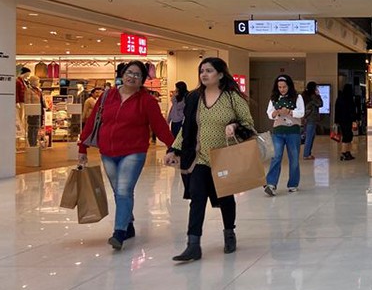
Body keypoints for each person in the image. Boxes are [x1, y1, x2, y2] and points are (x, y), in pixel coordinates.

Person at [165, 57, 255, 262]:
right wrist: (173, 149)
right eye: (202, 71)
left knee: (225, 198)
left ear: (221, 74)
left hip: (224, 157)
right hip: (200, 157)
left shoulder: (233, 98)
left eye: (209, 71)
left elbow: (248, 124)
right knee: (197, 198)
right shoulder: (195, 97)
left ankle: (229, 232)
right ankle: (193, 245)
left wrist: (234, 127)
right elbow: (187, 128)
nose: (204, 74)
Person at [78, 61, 175, 251]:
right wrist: (82, 147)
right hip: (107, 151)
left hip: (134, 151)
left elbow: (160, 127)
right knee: (117, 191)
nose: (132, 77)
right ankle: (128, 224)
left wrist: (174, 147)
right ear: (123, 74)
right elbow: (92, 122)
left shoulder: (147, 101)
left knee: (123, 190)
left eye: (138, 75)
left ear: (143, 80)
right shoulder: (107, 96)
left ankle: (119, 232)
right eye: (129, 72)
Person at [263, 75, 304, 196]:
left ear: (289, 86)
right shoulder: (274, 98)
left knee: (294, 158)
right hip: (278, 132)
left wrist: (290, 112)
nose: (282, 89)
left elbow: (301, 112)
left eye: (284, 87)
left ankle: (293, 184)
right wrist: (274, 113)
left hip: (293, 132)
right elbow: (269, 113)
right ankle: (271, 183)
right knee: (276, 156)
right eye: (279, 87)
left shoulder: (297, 97)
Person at [334, 83, 357, 161]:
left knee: (346, 135)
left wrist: (336, 120)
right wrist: (354, 120)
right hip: (348, 120)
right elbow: (352, 110)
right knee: (348, 136)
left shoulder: (340, 98)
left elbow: (336, 110)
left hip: (341, 120)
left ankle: (347, 152)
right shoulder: (349, 99)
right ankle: (344, 152)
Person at [301, 81, 323, 160]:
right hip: (311, 119)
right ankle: (306, 154)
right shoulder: (313, 96)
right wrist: (318, 95)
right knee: (310, 137)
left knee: (310, 136)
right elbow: (320, 104)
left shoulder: (304, 95)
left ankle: (308, 153)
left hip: (307, 118)